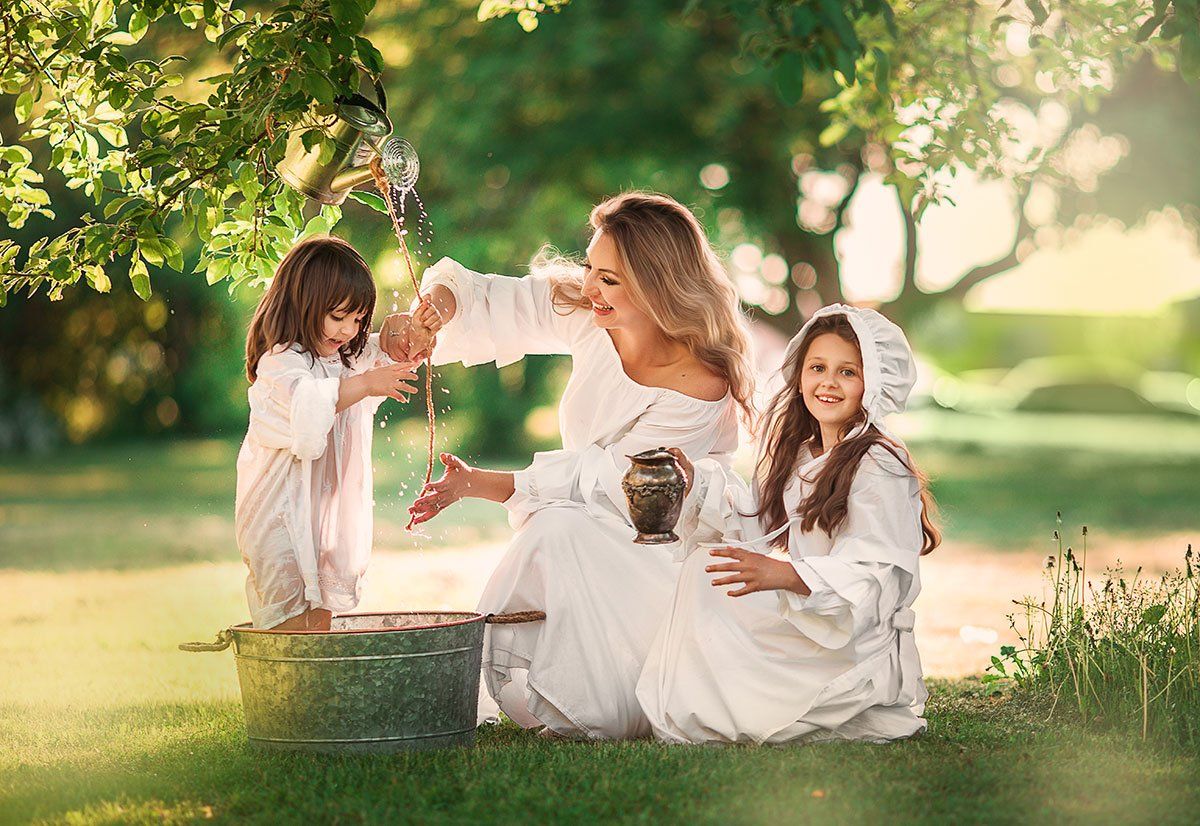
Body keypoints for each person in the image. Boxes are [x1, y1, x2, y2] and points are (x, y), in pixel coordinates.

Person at [382, 192, 754, 739]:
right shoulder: (591, 315)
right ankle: (489, 686)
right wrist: (438, 309)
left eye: (610, 279)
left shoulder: (699, 381)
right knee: (560, 527)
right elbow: (490, 297)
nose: (589, 289)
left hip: (657, 551)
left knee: (559, 529)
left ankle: (574, 702)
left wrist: (483, 485)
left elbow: (617, 484)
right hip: (578, 512)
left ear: (656, 284)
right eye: (590, 269)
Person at [637, 304, 940, 745]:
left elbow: (879, 573)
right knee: (703, 570)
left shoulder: (879, 461)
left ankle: (771, 705)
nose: (828, 382)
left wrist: (785, 574)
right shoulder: (802, 454)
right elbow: (757, 522)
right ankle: (706, 702)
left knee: (706, 582)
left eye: (847, 372)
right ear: (799, 376)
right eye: (817, 367)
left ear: (872, 384)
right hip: (814, 614)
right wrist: (694, 483)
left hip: (851, 639)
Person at [235, 235, 433, 631]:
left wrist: (408, 337)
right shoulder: (281, 365)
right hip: (280, 518)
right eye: (338, 316)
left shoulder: (342, 359)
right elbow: (307, 405)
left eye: (358, 320)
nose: (348, 330)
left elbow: (381, 355)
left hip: (325, 521)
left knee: (321, 622)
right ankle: (283, 689)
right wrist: (365, 384)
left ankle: (318, 690)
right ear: (303, 304)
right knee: (288, 623)